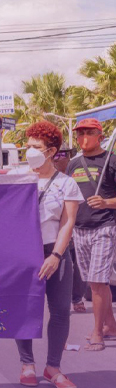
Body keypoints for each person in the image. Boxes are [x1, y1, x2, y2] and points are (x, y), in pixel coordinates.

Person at [12, 121, 82, 388]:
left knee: (61, 311)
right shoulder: (15, 176)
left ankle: (53, 367)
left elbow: (67, 222)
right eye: (27, 146)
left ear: (51, 151)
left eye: (36, 147)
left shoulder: (67, 184)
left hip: (56, 253)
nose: (29, 151)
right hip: (22, 255)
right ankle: (26, 363)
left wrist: (55, 255)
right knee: (25, 309)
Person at [65, 118, 116, 351]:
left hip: (105, 226)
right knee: (96, 282)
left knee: (97, 280)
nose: (83, 137)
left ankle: (97, 332)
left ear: (100, 135)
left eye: (89, 133)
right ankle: (111, 326)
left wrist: (106, 202)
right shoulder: (73, 165)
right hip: (80, 229)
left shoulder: (111, 161)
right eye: (80, 133)